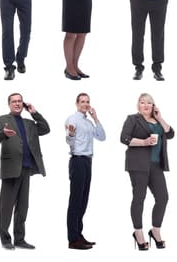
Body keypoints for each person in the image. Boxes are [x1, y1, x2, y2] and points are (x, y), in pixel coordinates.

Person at [0, 93, 50, 250]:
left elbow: (45, 128)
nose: (17, 104)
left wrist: (34, 112)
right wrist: (3, 134)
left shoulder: (29, 122)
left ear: (23, 104)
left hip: (26, 168)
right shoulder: (2, 120)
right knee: (6, 207)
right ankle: (5, 239)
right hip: (11, 168)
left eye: (19, 101)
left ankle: (20, 239)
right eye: (14, 101)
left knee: (23, 206)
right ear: (9, 104)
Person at [120, 93, 174, 250]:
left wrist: (160, 117)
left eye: (149, 103)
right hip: (138, 164)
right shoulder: (132, 119)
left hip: (157, 165)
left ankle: (155, 231)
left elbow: (171, 134)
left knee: (163, 197)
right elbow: (123, 138)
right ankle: (138, 233)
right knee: (139, 198)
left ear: (153, 106)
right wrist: (143, 142)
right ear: (138, 105)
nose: (145, 105)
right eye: (142, 102)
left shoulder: (158, 121)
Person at [65, 93, 106, 249]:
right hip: (78, 161)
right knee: (75, 200)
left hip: (88, 161)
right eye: (82, 101)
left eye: (88, 102)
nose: (86, 104)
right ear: (76, 103)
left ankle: (78, 234)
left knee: (83, 200)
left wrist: (95, 118)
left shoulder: (88, 123)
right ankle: (72, 239)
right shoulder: (72, 119)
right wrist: (71, 133)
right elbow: (69, 141)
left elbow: (102, 137)